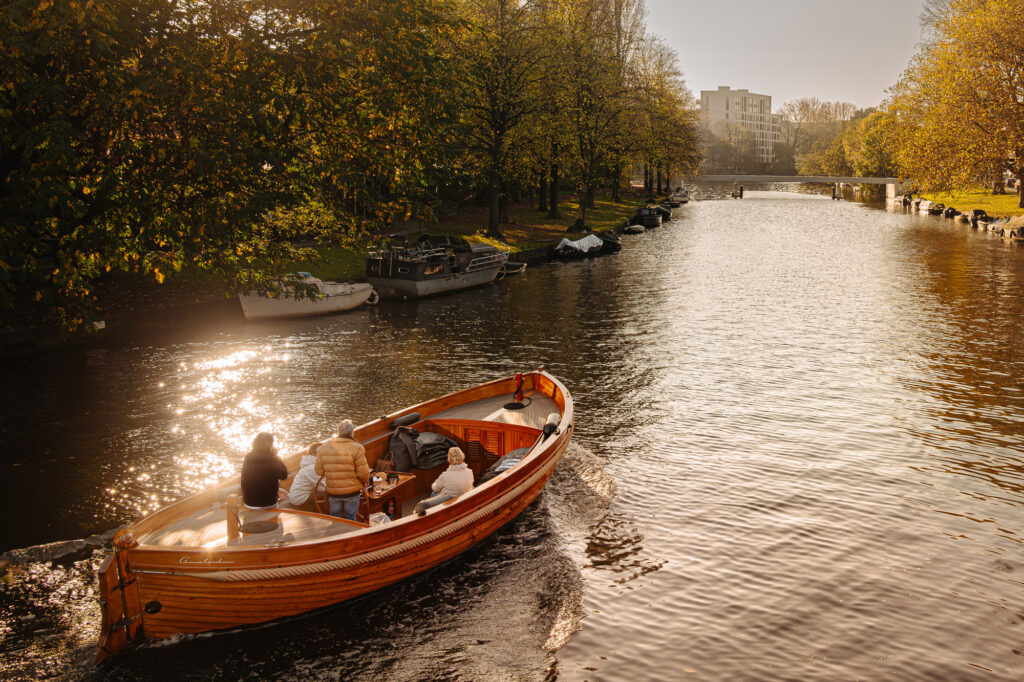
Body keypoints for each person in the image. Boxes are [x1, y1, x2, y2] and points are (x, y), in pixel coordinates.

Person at [315, 419, 370, 521]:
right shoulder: (357, 448)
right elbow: (364, 473)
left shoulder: (324, 448)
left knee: (336, 519)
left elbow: (318, 471)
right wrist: (365, 480)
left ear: (338, 432)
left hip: (333, 492)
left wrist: (330, 472)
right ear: (351, 432)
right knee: (351, 519)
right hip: (352, 492)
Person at [414, 447, 474, 516]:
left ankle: (435, 513)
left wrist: (436, 482)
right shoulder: (470, 471)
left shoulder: (446, 475)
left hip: (449, 501)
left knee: (434, 493)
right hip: (463, 498)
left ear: (449, 459)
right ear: (462, 457)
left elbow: (435, 488)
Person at [240, 432, 288, 509]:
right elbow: (283, 475)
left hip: (248, 502)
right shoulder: (272, 459)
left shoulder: (248, 457)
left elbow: (259, 477)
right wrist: (277, 457)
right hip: (267, 504)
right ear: (270, 444)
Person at [280, 442, 322, 509]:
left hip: (302, 494)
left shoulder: (312, 465)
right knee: (328, 494)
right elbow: (322, 487)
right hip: (299, 497)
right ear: (314, 454)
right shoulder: (311, 468)